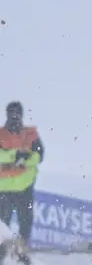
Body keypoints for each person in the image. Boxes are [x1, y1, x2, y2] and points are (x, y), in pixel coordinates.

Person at [0, 101, 44, 245]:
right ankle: (3, 250)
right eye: (11, 113)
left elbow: (39, 156)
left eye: (17, 113)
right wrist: (15, 155)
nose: (14, 116)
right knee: (2, 224)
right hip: (4, 189)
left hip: (25, 187)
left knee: (25, 222)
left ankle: (23, 249)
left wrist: (23, 159)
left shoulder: (31, 134)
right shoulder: (1, 134)